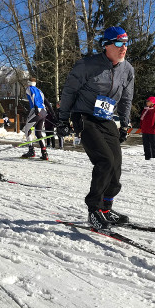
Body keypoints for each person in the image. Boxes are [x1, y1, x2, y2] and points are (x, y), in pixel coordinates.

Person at [56, 26, 135, 230]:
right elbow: (69, 92)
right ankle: (94, 210)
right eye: (118, 43)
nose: (123, 48)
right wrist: (63, 120)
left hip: (105, 118)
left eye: (126, 43)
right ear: (106, 45)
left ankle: (106, 208)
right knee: (104, 161)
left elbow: (126, 99)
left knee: (116, 164)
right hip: (84, 116)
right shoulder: (87, 65)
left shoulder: (127, 70)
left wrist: (125, 124)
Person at [21, 77, 53, 160]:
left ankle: (31, 151)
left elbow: (33, 96)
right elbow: (47, 102)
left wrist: (35, 107)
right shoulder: (40, 91)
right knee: (38, 133)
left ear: (28, 82)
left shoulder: (28, 88)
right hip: (43, 111)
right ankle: (44, 152)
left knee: (27, 130)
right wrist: (53, 114)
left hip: (36, 111)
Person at [140, 96, 155, 160]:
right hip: (145, 131)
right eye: (146, 101)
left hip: (152, 131)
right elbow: (142, 119)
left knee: (154, 145)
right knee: (146, 145)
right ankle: (147, 158)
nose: (146, 102)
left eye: (148, 101)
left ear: (152, 103)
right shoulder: (145, 110)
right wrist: (142, 126)